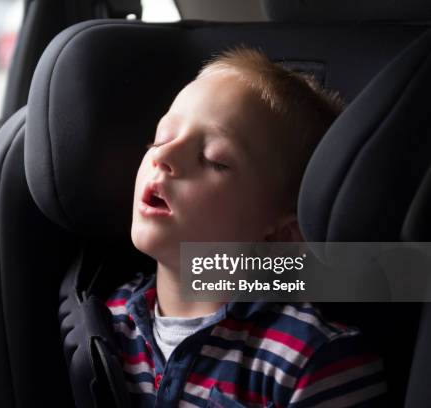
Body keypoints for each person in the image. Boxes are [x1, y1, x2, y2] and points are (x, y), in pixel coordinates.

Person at [105, 48, 386, 407]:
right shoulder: (104, 324)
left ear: (280, 237)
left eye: (213, 159)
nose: (163, 156)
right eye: (161, 137)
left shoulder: (311, 360)